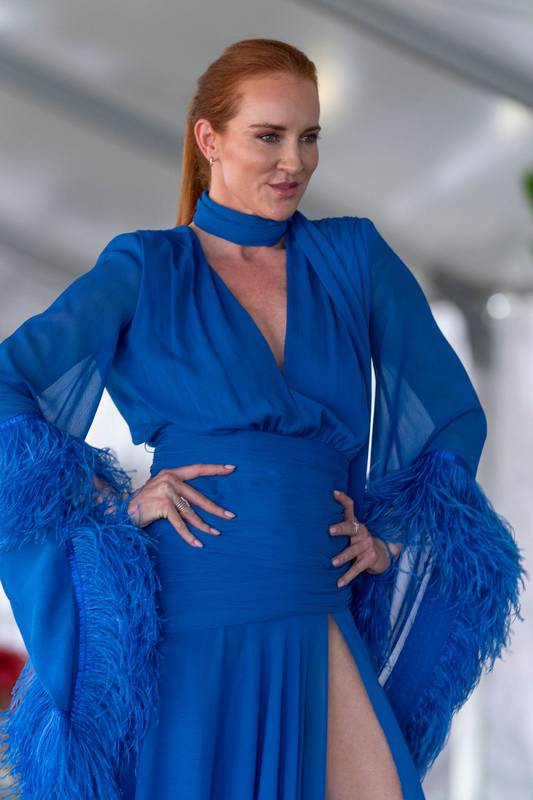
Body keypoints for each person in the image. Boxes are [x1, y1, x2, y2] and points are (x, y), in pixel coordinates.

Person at [0, 37, 526, 800]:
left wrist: (388, 540)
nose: (293, 162)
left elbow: (445, 411)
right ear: (208, 139)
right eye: (268, 136)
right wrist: (112, 504)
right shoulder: (146, 266)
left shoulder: (353, 257)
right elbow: (11, 383)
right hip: (193, 601)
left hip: (316, 594)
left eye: (308, 136)